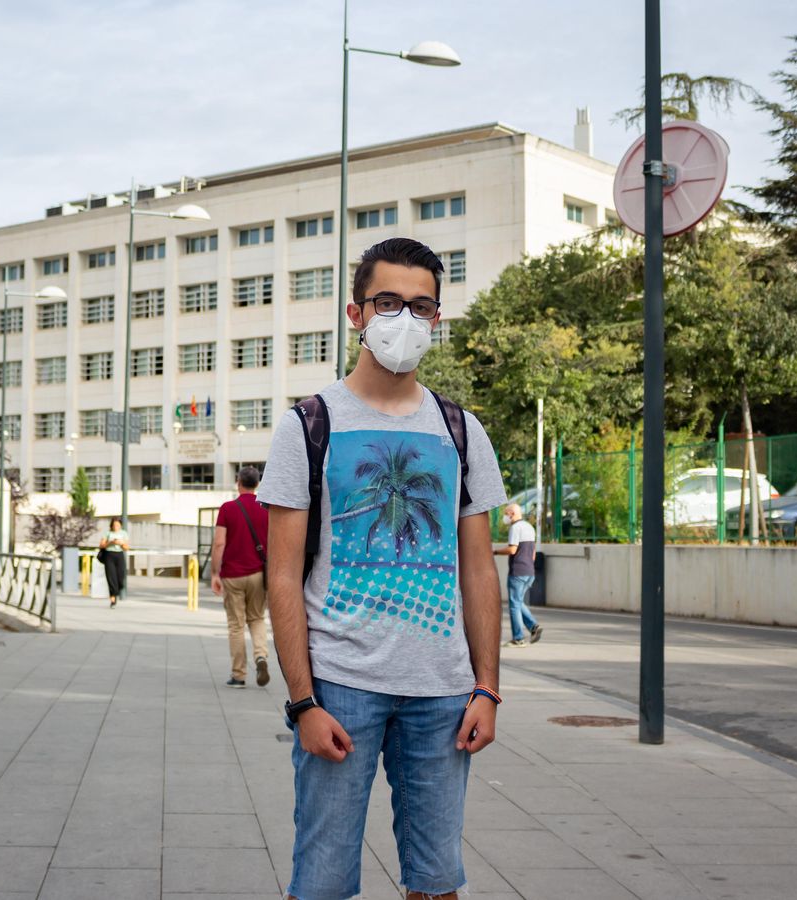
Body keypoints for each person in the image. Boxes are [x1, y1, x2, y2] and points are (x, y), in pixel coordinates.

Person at [259, 238, 506, 900]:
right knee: (323, 880)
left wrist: (486, 687)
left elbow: (479, 571)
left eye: (421, 306)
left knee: (437, 881)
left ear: (437, 318)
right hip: (341, 688)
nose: (405, 319)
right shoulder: (309, 425)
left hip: (443, 694)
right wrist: (303, 701)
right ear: (355, 313)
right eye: (388, 302)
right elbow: (280, 575)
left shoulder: (461, 430)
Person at [212, 466, 271, 688]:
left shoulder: (228, 508)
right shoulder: (266, 509)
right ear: (257, 484)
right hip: (258, 574)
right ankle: (261, 656)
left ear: (238, 482)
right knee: (256, 619)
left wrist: (215, 573)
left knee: (236, 625)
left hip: (232, 575)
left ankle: (238, 674)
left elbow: (219, 543)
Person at [493, 503, 542, 647]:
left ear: (512, 514)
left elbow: (512, 549)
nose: (505, 517)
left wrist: (494, 552)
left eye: (506, 513)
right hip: (529, 572)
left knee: (514, 605)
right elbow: (532, 554)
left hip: (517, 572)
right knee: (518, 602)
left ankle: (518, 638)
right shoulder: (529, 527)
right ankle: (534, 627)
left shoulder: (515, 528)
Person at [98, 517, 130, 608]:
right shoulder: (108, 533)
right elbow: (101, 545)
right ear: (111, 525)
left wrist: (121, 544)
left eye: (117, 525)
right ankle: (113, 599)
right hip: (109, 555)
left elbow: (127, 548)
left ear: (120, 525)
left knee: (121, 577)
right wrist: (111, 542)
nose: (116, 526)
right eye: (114, 525)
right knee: (111, 577)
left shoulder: (124, 533)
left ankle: (117, 590)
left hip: (119, 555)